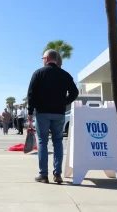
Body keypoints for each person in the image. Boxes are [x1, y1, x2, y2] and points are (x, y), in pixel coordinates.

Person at [27, 49, 79, 184]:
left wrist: (30, 112)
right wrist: (64, 102)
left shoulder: (38, 73)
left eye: (43, 58)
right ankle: (58, 174)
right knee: (58, 141)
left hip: (42, 114)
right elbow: (74, 92)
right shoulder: (65, 75)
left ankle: (43, 175)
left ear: (46, 59)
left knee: (43, 141)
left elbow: (31, 94)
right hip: (59, 113)